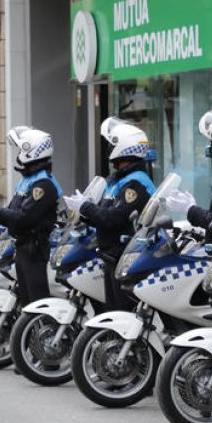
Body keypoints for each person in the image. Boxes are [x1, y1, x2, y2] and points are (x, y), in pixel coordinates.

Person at [66, 118, 155, 312]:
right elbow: (102, 215)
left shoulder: (137, 183)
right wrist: (84, 211)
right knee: (112, 312)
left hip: (125, 256)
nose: (109, 148)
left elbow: (112, 218)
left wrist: (86, 208)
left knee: (123, 315)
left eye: (112, 144)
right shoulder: (118, 181)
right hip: (111, 256)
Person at [0, 127, 61, 304]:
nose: (19, 154)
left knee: (37, 301)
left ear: (32, 151)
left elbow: (24, 217)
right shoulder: (28, 180)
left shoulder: (43, 184)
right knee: (26, 301)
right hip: (22, 246)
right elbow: (12, 211)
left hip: (34, 248)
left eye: (22, 149)